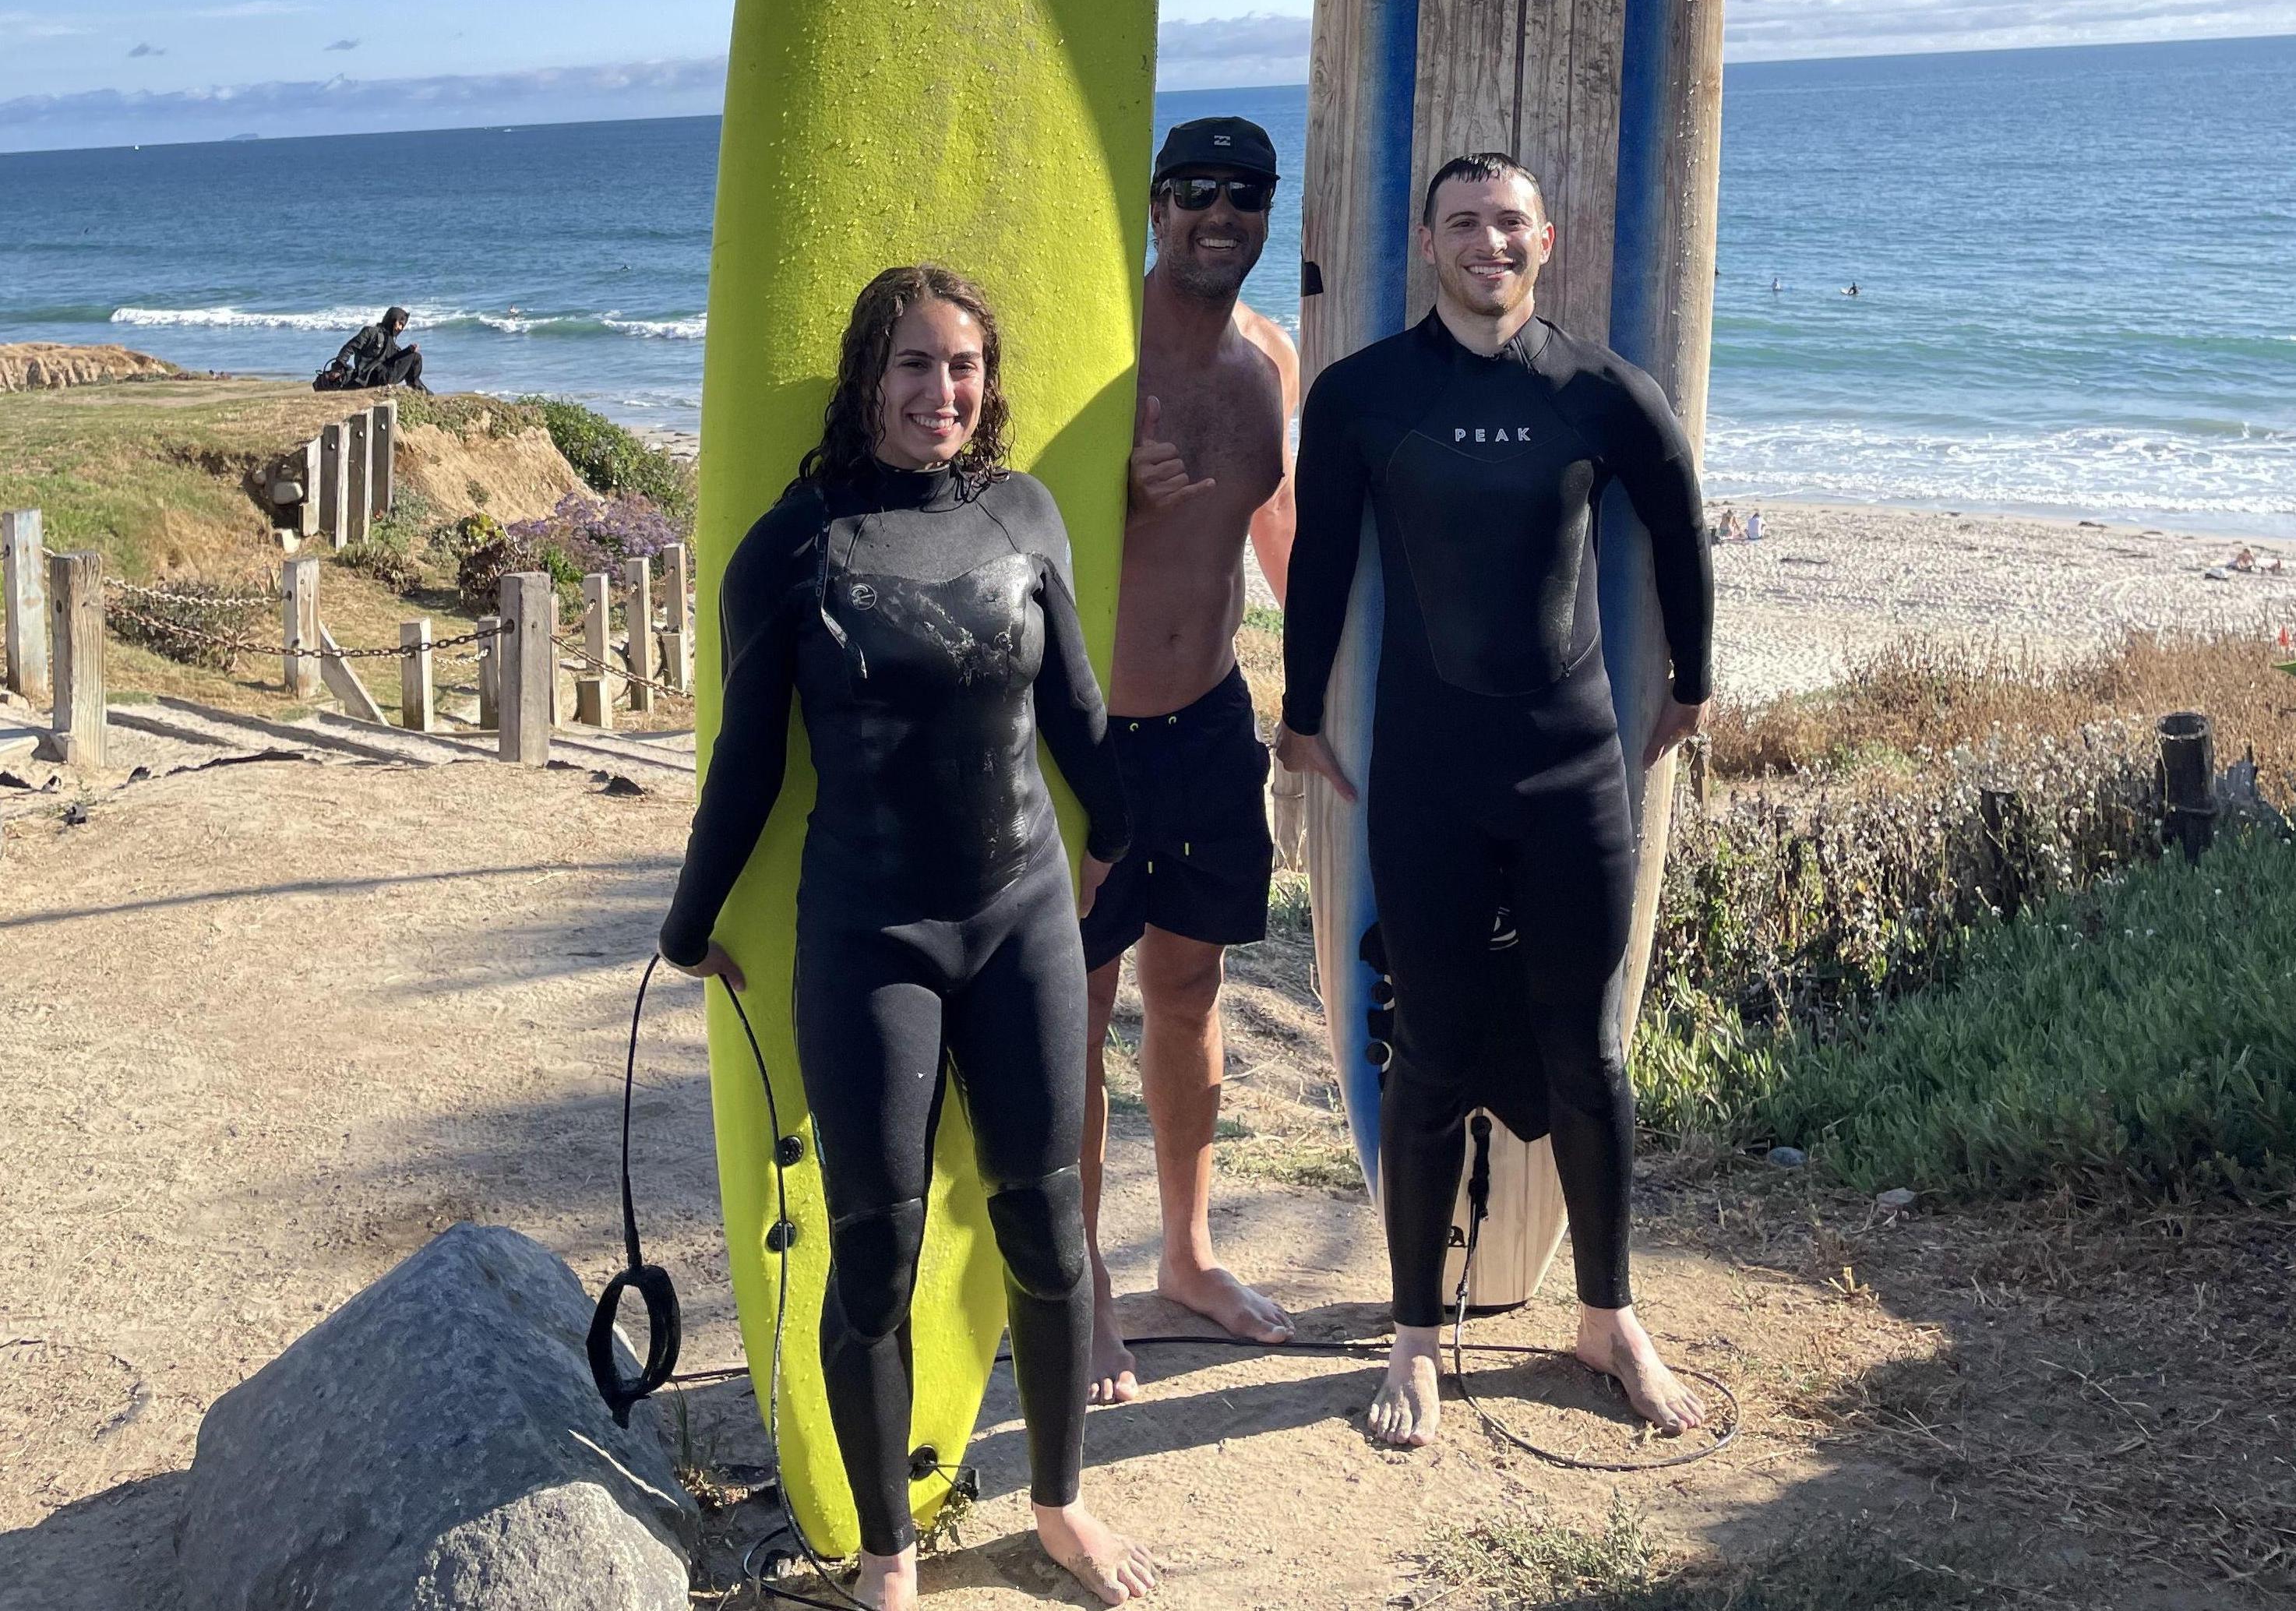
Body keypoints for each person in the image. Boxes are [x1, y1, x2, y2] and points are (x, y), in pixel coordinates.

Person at [658, 266, 1155, 1610]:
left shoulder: (1024, 514)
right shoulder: (796, 546)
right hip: (871, 931)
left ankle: (1058, 1502)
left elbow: (1077, 710)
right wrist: (689, 921)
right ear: (867, 378)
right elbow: (748, 764)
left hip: (1019, 915)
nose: (944, 393)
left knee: (1047, 1227)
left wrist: (1120, 834)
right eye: (916, 367)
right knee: (870, 1248)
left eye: (965, 367)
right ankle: (888, 1555)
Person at [1275, 152, 1713, 1451]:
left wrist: (1691, 680)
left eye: (1507, 222)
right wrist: (1299, 718)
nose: (1486, 242)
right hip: (1425, 775)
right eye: (1461, 222)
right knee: (1426, 1059)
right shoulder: (1362, 397)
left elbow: (1679, 516)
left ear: (1547, 240)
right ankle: (1414, 1335)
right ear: (1426, 244)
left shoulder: (1593, 389)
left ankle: (1606, 1316)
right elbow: (1322, 563)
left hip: (1573, 770)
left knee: (1589, 1054)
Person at [1081, 117, 1300, 1405]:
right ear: (1156, 207)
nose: (1220, 215)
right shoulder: (1099, 353)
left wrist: (1329, 703)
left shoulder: (1268, 360)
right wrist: (1113, 497)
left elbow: (1284, 545)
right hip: (1091, 733)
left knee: (1187, 993)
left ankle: (1187, 1255)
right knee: (1075, 1015)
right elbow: (1012, 526)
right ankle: (1086, 1289)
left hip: (1212, 722)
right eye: (1195, 194)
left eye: (1246, 196)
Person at [318, 305, 427, 391]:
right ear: (393, 319)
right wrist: (337, 368)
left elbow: (394, 359)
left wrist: (409, 350)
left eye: (403, 326)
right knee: (415, 357)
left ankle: (416, 388)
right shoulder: (371, 332)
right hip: (371, 377)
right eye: (400, 324)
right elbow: (350, 347)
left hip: (386, 375)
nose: (400, 328)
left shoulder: (392, 344)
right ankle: (417, 388)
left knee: (414, 356)